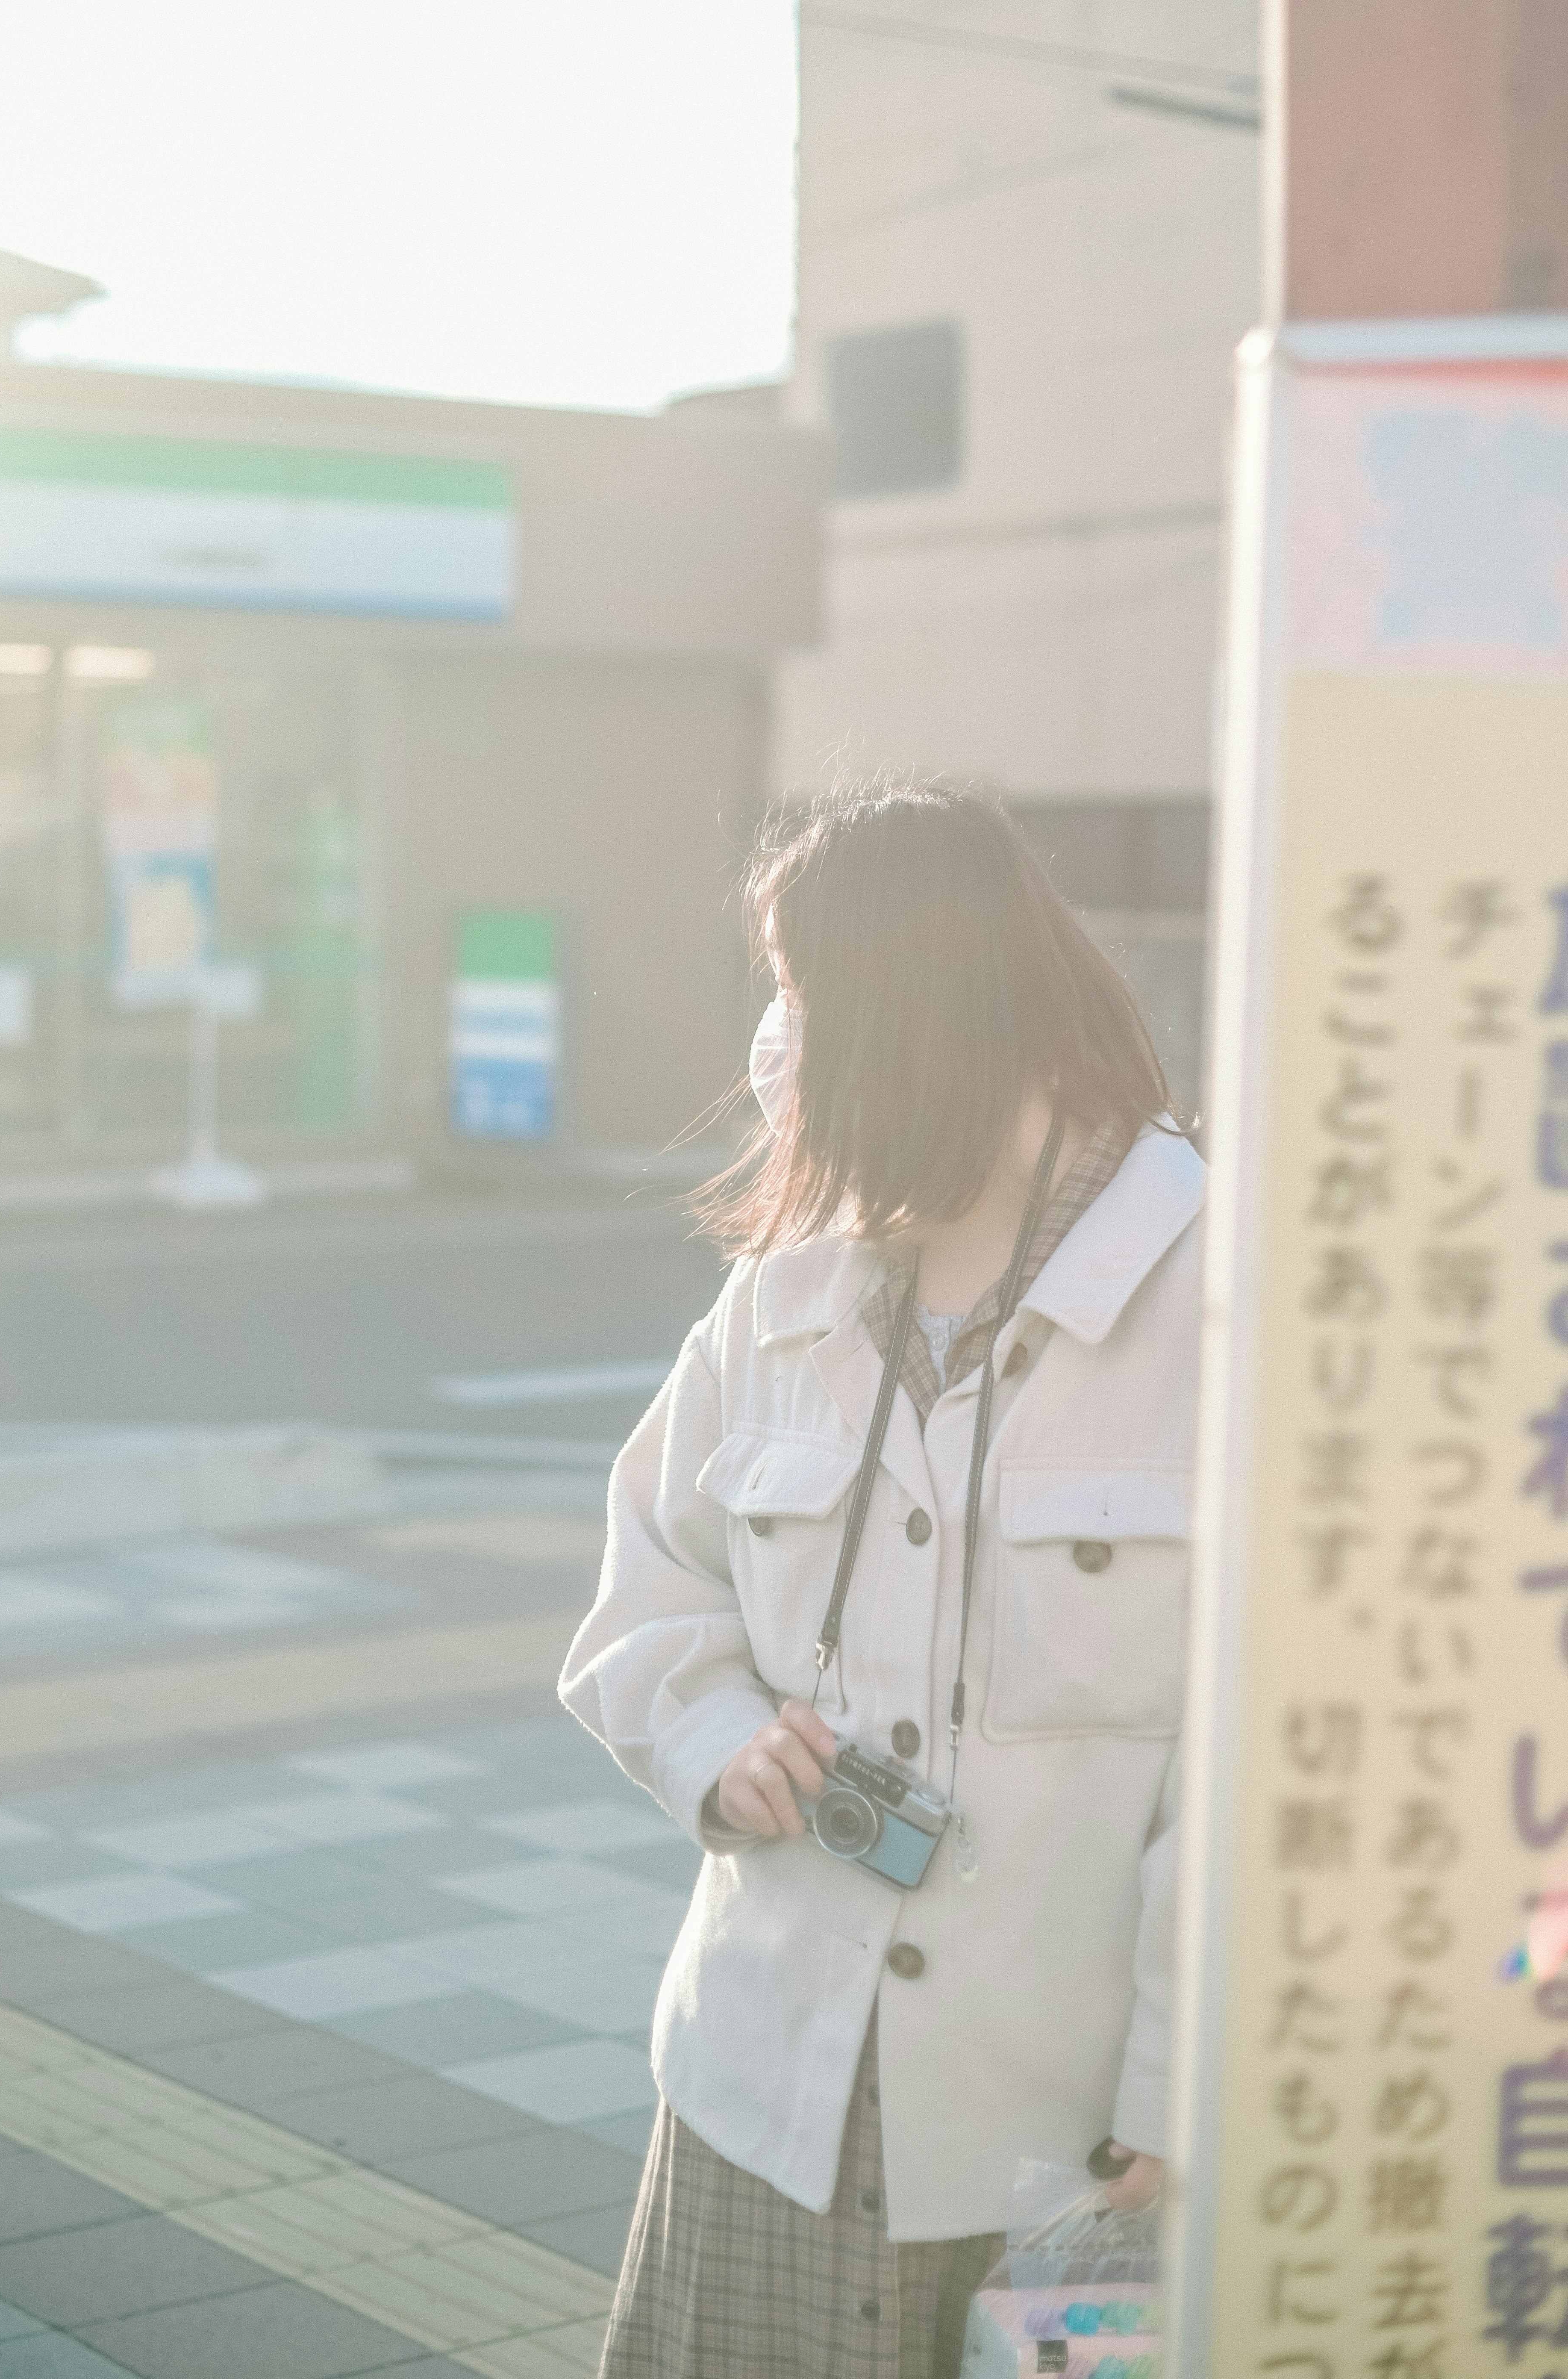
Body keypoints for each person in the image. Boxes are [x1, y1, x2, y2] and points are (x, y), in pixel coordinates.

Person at [559, 781, 1204, 2379]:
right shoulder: (787, 1284)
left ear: (907, 1017)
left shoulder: (1219, 1302)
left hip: (1073, 2152)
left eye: (795, 997)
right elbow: (649, 1597)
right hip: (763, 2102)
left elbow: (1264, 1759)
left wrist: (1191, 2081)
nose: (771, 1043)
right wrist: (713, 1739)